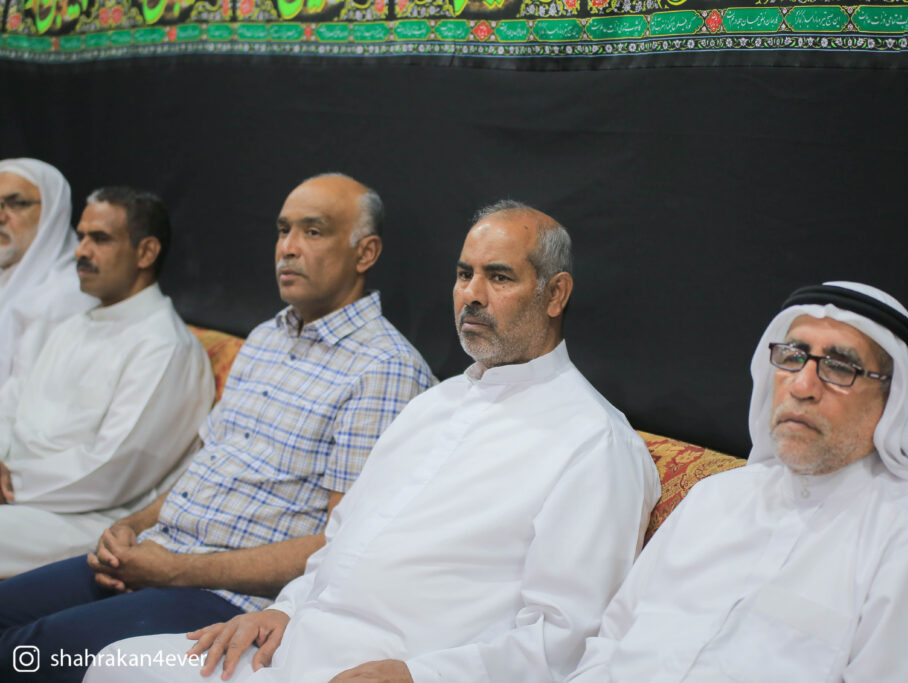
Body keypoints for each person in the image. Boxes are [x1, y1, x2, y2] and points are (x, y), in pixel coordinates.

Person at [85, 200, 661, 683]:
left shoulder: (594, 444)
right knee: (117, 665)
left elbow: (565, 639)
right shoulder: (435, 404)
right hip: (291, 643)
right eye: (464, 274)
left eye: (500, 277)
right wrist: (283, 610)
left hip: (398, 671)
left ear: (555, 294)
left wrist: (419, 675)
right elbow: (341, 542)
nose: (472, 294)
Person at [0, 173, 436, 683]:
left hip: (226, 595)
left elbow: (338, 545)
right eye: (283, 230)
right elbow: (204, 470)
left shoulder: (384, 368)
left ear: (365, 253)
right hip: (159, 552)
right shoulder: (267, 337)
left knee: (27, 655)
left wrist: (175, 570)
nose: (288, 248)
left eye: (313, 232)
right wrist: (131, 528)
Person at [566, 281, 908, 683]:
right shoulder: (715, 497)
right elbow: (610, 642)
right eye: (792, 357)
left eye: (839, 367)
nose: (802, 386)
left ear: (892, 401)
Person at [0, 186, 214, 577]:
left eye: (99, 239)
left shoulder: (165, 347)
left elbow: (114, 469)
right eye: (81, 236)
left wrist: (14, 481)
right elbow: (11, 402)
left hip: (88, 517)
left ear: (146, 252)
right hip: (21, 492)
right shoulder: (74, 325)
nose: (80, 251)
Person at [0, 158, 95, 387]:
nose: (1, 217)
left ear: (53, 211)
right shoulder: (7, 276)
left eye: (16, 204)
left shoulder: (69, 294)